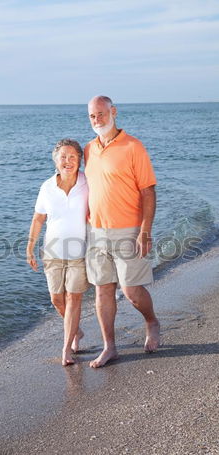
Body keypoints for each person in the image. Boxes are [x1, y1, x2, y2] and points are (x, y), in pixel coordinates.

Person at [84, 95, 160, 368]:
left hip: (129, 229)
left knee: (131, 291)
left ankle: (151, 322)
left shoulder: (133, 146)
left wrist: (145, 230)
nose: (97, 120)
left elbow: (148, 190)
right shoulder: (88, 149)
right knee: (102, 290)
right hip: (97, 232)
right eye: (92, 116)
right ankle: (110, 347)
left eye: (101, 114)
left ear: (113, 112)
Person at [26, 138, 89, 366]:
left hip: (79, 252)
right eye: (63, 157)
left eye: (73, 157)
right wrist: (30, 247)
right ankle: (76, 331)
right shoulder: (47, 187)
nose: (68, 161)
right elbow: (38, 218)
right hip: (52, 251)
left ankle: (67, 347)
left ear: (80, 160)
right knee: (56, 299)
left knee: (73, 297)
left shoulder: (88, 183)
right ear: (56, 161)